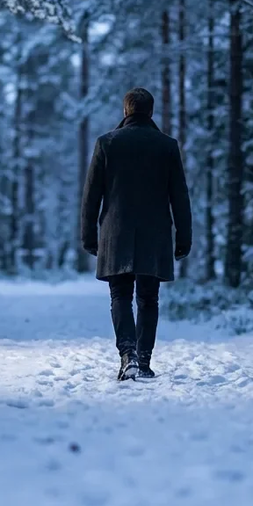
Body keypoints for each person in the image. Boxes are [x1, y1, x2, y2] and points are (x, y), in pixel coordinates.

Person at [81, 87, 193, 381]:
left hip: (115, 233)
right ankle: (143, 361)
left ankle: (127, 354)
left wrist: (88, 236)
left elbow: (91, 195)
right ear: (151, 112)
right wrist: (184, 238)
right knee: (148, 298)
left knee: (120, 295)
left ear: (125, 111)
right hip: (154, 234)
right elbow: (179, 196)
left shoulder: (107, 143)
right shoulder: (167, 146)